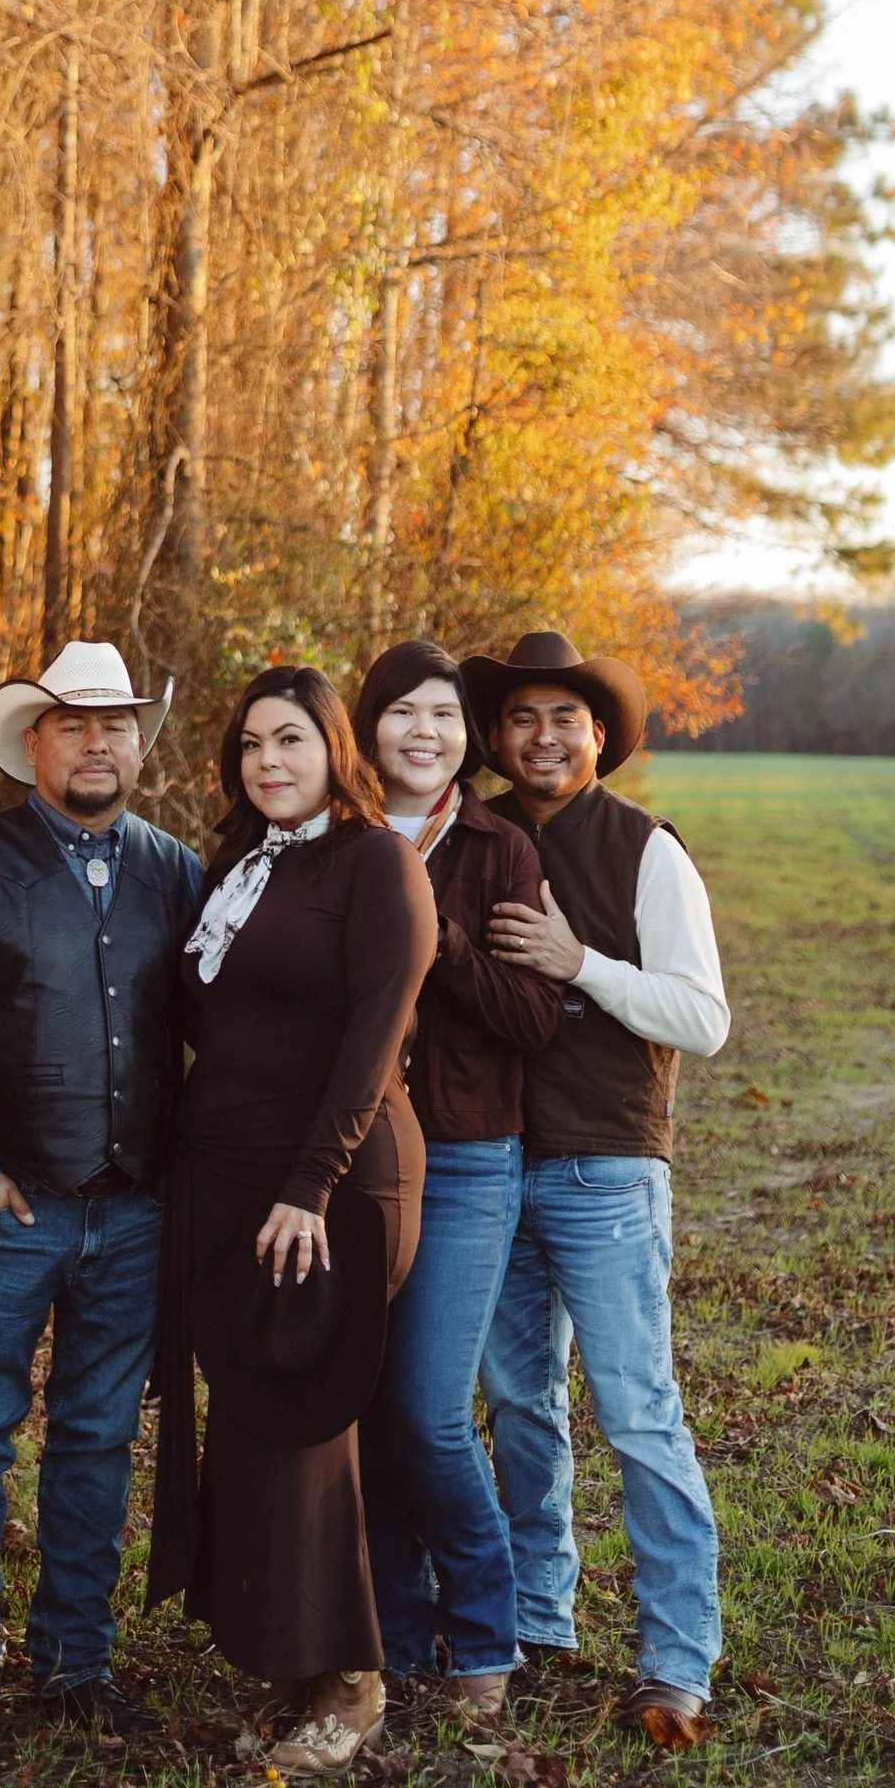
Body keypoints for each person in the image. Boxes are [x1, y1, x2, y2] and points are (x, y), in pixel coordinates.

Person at [0, 637, 203, 1761]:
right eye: (72, 724)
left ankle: (77, 1663)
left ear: (137, 743)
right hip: (7, 1213)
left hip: (133, 1211)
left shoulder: (175, 870)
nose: (95, 743)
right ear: (32, 742)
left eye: (115, 724)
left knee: (97, 1440)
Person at [145, 666, 436, 1771]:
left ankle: (354, 1684)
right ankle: (288, 1659)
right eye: (250, 746)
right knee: (256, 1417)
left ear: (334, 752)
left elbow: (374, 1034)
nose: (268, 761)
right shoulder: (239, 869)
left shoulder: (375, 863)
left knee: (311, 1418)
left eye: (290, 741)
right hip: (228, 1178)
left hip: (328, 1184)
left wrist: (310, 1184)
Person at [467, 627, 732, 1747]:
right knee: (519, 1409)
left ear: (598, 736)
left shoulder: (643, 849)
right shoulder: (469, 843)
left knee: (636, 1412)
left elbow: (703, 1019)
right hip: (486, 1164)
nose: (541, 736)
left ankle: (676, 1659)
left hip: (607, 1166)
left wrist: (581, 966)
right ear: (496, 734)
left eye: (562, 718)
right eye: (522, 717)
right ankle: (539, 1617)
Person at [351, 638, 564, 1722]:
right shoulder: (333, 837)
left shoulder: (496, 848)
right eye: (401, 713)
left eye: (441, 716)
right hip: (356, 1157)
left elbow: (535, 1020)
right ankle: (394, 1625)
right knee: (372, 1400)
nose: (421, 733)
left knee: (431, 1408)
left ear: (463, 736)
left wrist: (442, 946)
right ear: (370, 726)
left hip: (471, 1156)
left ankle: (484, 1624)